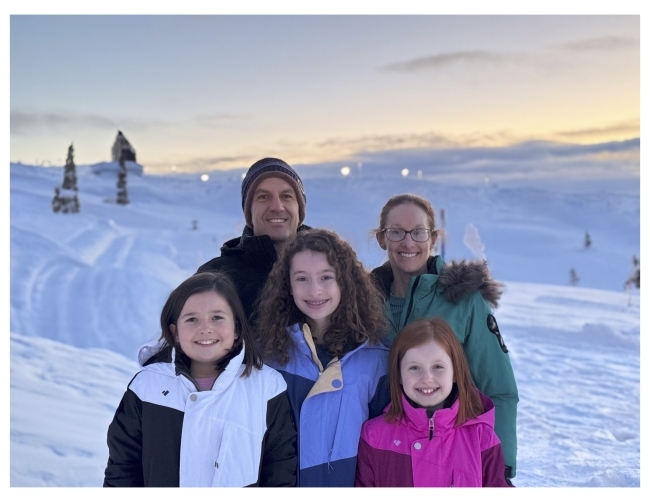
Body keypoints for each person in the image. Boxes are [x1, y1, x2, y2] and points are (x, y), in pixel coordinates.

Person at [371, 193, 518, 480]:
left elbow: (498, 388)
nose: (408, 242)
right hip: (385, 452)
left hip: (452, 457)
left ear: (433, 238)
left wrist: (500, 467)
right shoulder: (362, 301)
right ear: (381, 239)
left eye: (419, 232)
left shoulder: (463, 300)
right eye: (396, 232)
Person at [103, 271, 297, 487]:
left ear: (236, 328)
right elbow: (122, 470)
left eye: (217, 317)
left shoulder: (266, 388)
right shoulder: (147, 386)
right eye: (192, 319)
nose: (205, 328)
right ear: (175, 332)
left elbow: (280, 472)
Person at [255, 229, 389, 487]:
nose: (315, 290)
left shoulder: (377, 359)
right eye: (302, 278)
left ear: (345, 282)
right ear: (288, 286)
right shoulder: (267, 355)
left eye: (326, 277)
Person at [355, 317, 512, 487]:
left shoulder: (482, 437)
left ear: (455, 372)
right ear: (399, 374)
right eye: (414, 368)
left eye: (438, 367)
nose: (427, 378)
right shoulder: (374, 436)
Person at [197, 157, 310, 320]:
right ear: (249, 212)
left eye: (287, 196)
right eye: (263, 197)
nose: (277, 207)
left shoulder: (332, 266)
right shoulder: (218, 276)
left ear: (300, 211)